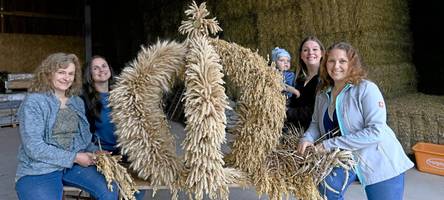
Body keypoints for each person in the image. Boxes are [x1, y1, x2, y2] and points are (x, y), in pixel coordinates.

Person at [297, 42, 414, 200]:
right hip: (346, 159)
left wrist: (328, 144)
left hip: (378, 158)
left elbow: (376, 131)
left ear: (352, 64)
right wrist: (307, 138)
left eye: (342, 61)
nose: (336, 66)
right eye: (331, 61)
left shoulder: (366, 89)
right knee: (325, 191)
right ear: (325, 64)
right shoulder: (323, 94)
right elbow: (316, 124)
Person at [15, 53, 118, 200]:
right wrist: (75, 157)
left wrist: (96, 152)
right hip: (39, 168)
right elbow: (34, 147)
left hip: (73, 167)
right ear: (49, 73)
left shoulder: (76, 102)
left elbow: (83, 140)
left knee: (109, 190)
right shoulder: (34, 102)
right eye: (61, 72)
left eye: (71, 73)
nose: (67, 77)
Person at [82, 55, 145, 200]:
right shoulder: (84, 100)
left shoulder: (124, 95)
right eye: (95, 68)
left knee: (136, 191)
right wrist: (94, 152)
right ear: (90, 75)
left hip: (127, 154)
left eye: (104, 66)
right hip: (101, 155)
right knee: (105, 191)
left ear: (109, 69)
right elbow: (83, 133)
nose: (101, 70)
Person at [286, 36, 324, 131]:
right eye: (306, 50)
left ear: (322, 53)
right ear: (301, 55)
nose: (311, 52)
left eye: (315, 49)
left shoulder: (325, 79)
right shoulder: (297, 79)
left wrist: (286, 112)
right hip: (292, 129)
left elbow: (315, 111)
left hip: (312, 133)